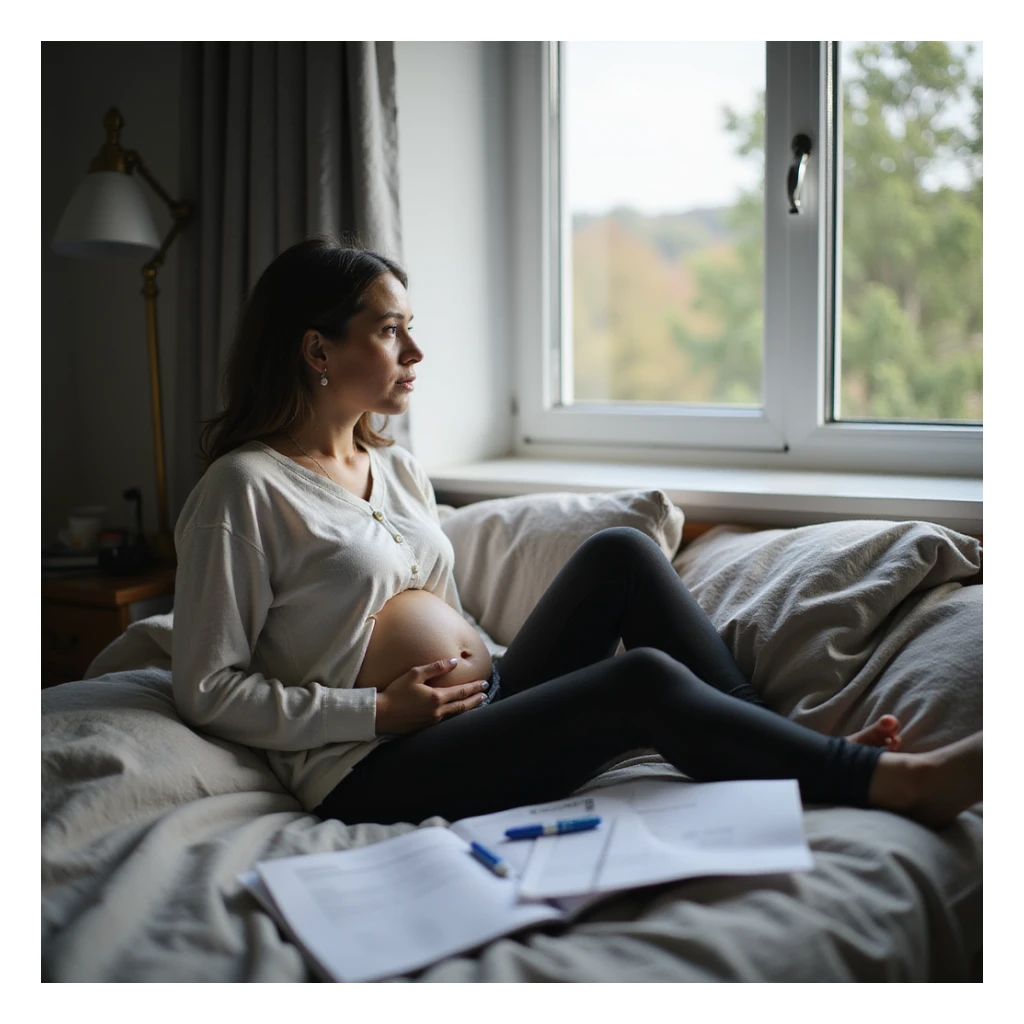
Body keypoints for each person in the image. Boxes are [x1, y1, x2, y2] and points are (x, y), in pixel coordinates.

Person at [171, 235, 983, 834]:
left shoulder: (398, 467)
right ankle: (895, 783)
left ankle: (772, 737)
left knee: (621, 556)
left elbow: (441, 611)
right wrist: (374, 711)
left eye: (410, 327)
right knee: (640, 685)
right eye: (389, 331)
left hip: (478, 710)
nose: (416, 351)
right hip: (374, 765)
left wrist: (494, 676)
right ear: (318, 348)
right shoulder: (243, 490)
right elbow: (206, 690)